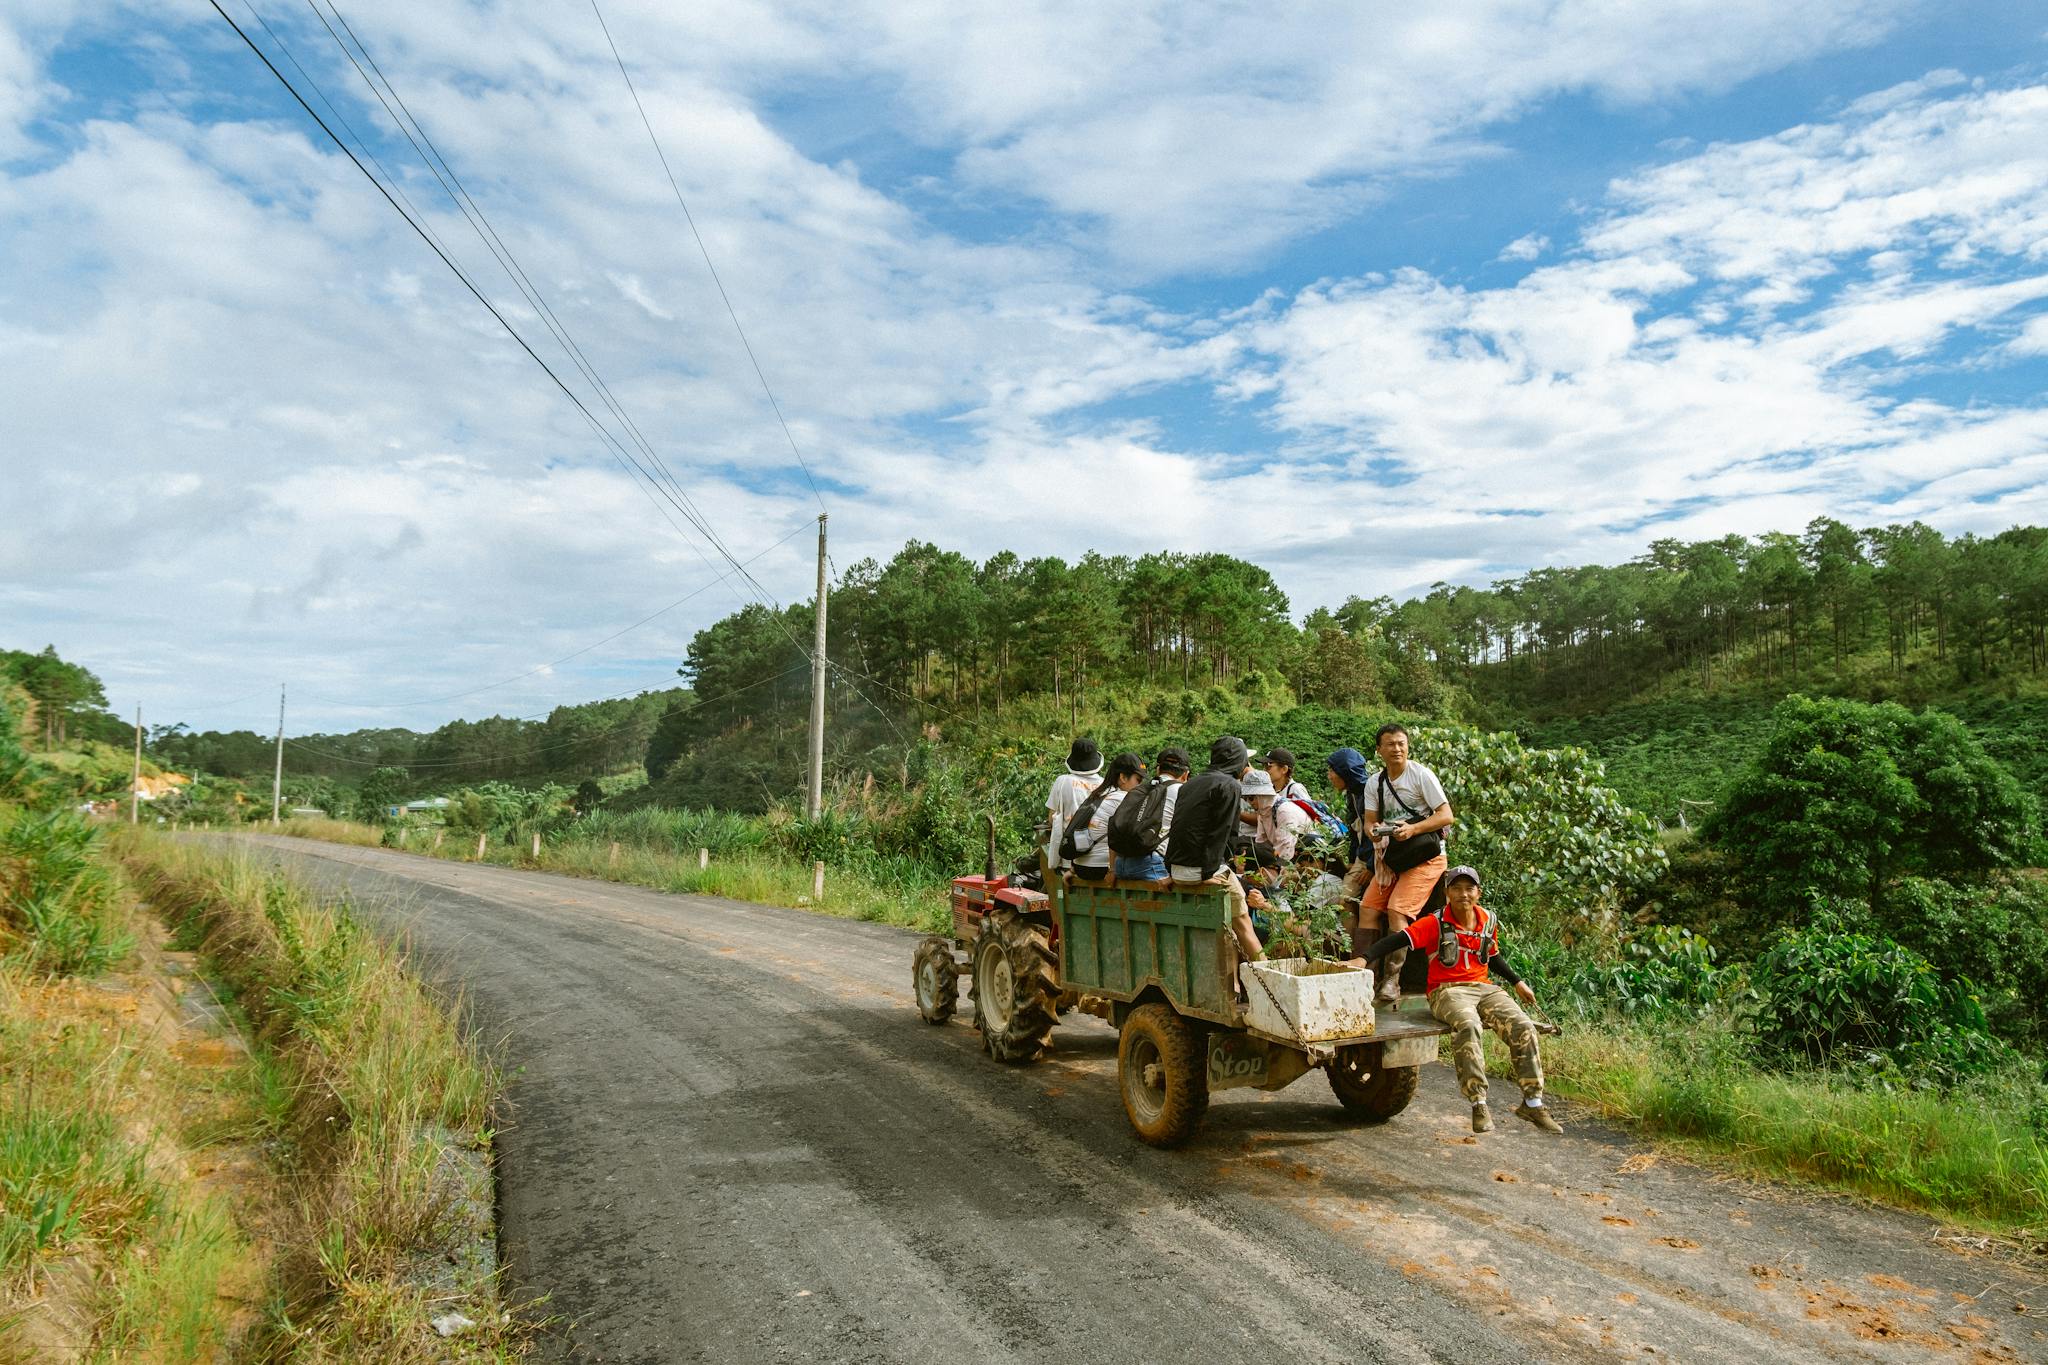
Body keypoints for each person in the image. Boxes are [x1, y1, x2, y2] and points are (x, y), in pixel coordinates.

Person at [1355, 866, 1561, 1135]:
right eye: (1456, 888)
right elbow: (1398, 939)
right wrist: (1363, 957)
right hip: (1446, 990)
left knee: (1523, 1026)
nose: (1463, 894)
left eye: (1469, 888)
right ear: (1447, 893)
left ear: (1478, 892)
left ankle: (1533, 1103)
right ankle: (1478, 1103)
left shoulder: (1487, 919)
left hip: (1484, 988)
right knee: (1468, 1024)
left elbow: (1492, 955)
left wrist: (1517, 982)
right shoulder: (1435, 922)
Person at [1357, 723, 1452, 1009]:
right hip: (1393, 857)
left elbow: (1446, 815)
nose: (1397, 749)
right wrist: (1375, 831)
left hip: (1426, 856)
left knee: (1397, 910)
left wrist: (1414, 829)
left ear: (1408, 747)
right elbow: (1370, 820)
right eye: (1390, 744)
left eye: (1401, 743)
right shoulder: (1375, 782)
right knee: (1368, 907)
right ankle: (1365, 974)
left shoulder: (1421, 775)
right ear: (1379, 750)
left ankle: (1391, 981)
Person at [1165, 736, 1263, 963]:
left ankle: (1238, 982)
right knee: (1244, 923)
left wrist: (1172, 871)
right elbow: (1225, 833)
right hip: (1202, 872)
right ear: (1238, 762)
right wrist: (1208, 873)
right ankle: (1268, 975)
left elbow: (1179, 828)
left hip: (1177, 870)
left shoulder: (1189, 784)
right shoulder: (1229, 785)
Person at [1325, 746, 1377, 952]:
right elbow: (1355, 832)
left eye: (1332, 771)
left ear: (1345, 772)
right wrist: (1353, 859)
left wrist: (1370, 866)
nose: (1329, 776)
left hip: (1375, 858)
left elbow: (1377, 831)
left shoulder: (1369, 793)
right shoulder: (1353, 795)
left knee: (1346, 899)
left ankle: (1351, 952)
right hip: (1362, 858)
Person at [1112, 746, 1188, 882]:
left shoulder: (1140, 789)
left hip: (1121, 863)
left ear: (1158, 770)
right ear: (1185, 774)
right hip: (1150, 863)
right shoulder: (1183, 791)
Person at [1071, 752, 1145, 882]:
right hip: (1100, 869)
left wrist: (1072, 869)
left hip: (1080, 866)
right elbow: (1115, 836)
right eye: (1138, 780)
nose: (1140, 786)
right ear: (1123, 777)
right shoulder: (1122, 798)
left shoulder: (1097, 795)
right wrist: (1112, 870)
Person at [1045, 739, 1103, 872]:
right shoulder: (1105, 785)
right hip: (1099, 857)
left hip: (1069, 855)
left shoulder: (1062, 781)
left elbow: (1051, 819)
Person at [1244, 768, 1313, 864]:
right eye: (1245, 798)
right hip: (1287, 857)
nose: (1248, 802)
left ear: (1262, 795)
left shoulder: (1284, 811)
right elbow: (1261, 845)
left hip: (1307, 859)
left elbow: (1286, 853)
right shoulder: (1263, 812)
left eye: (1250, 798)